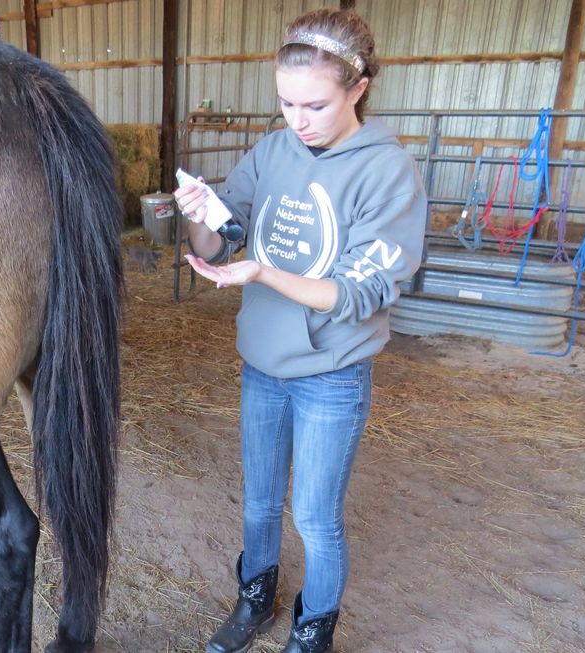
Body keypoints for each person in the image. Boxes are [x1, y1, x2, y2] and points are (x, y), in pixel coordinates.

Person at [174, 8, 427, 653]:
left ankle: (313, 626)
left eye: (314, 105)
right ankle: (254, 597)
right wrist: (202, 215)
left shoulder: (388, 171)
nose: (297, 120)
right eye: (286, 103)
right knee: (259, 501)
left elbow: (359, 293)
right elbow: (228, 232)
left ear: (358, 89)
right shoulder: (275, 148)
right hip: (263, 364)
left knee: (314, 516)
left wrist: (262, 273)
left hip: (331, 374)